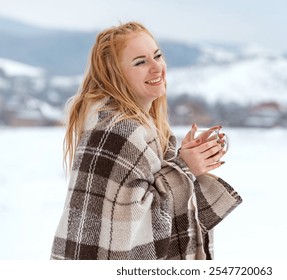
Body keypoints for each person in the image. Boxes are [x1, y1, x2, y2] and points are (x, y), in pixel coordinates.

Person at [50, 22, 242, 260]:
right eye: (140, 62)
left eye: (157, 56)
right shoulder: (116, 132)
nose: (157, 68)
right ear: (114, 75)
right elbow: (123, 231)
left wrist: (182, 160)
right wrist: (184, 169)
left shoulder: (145, 128)